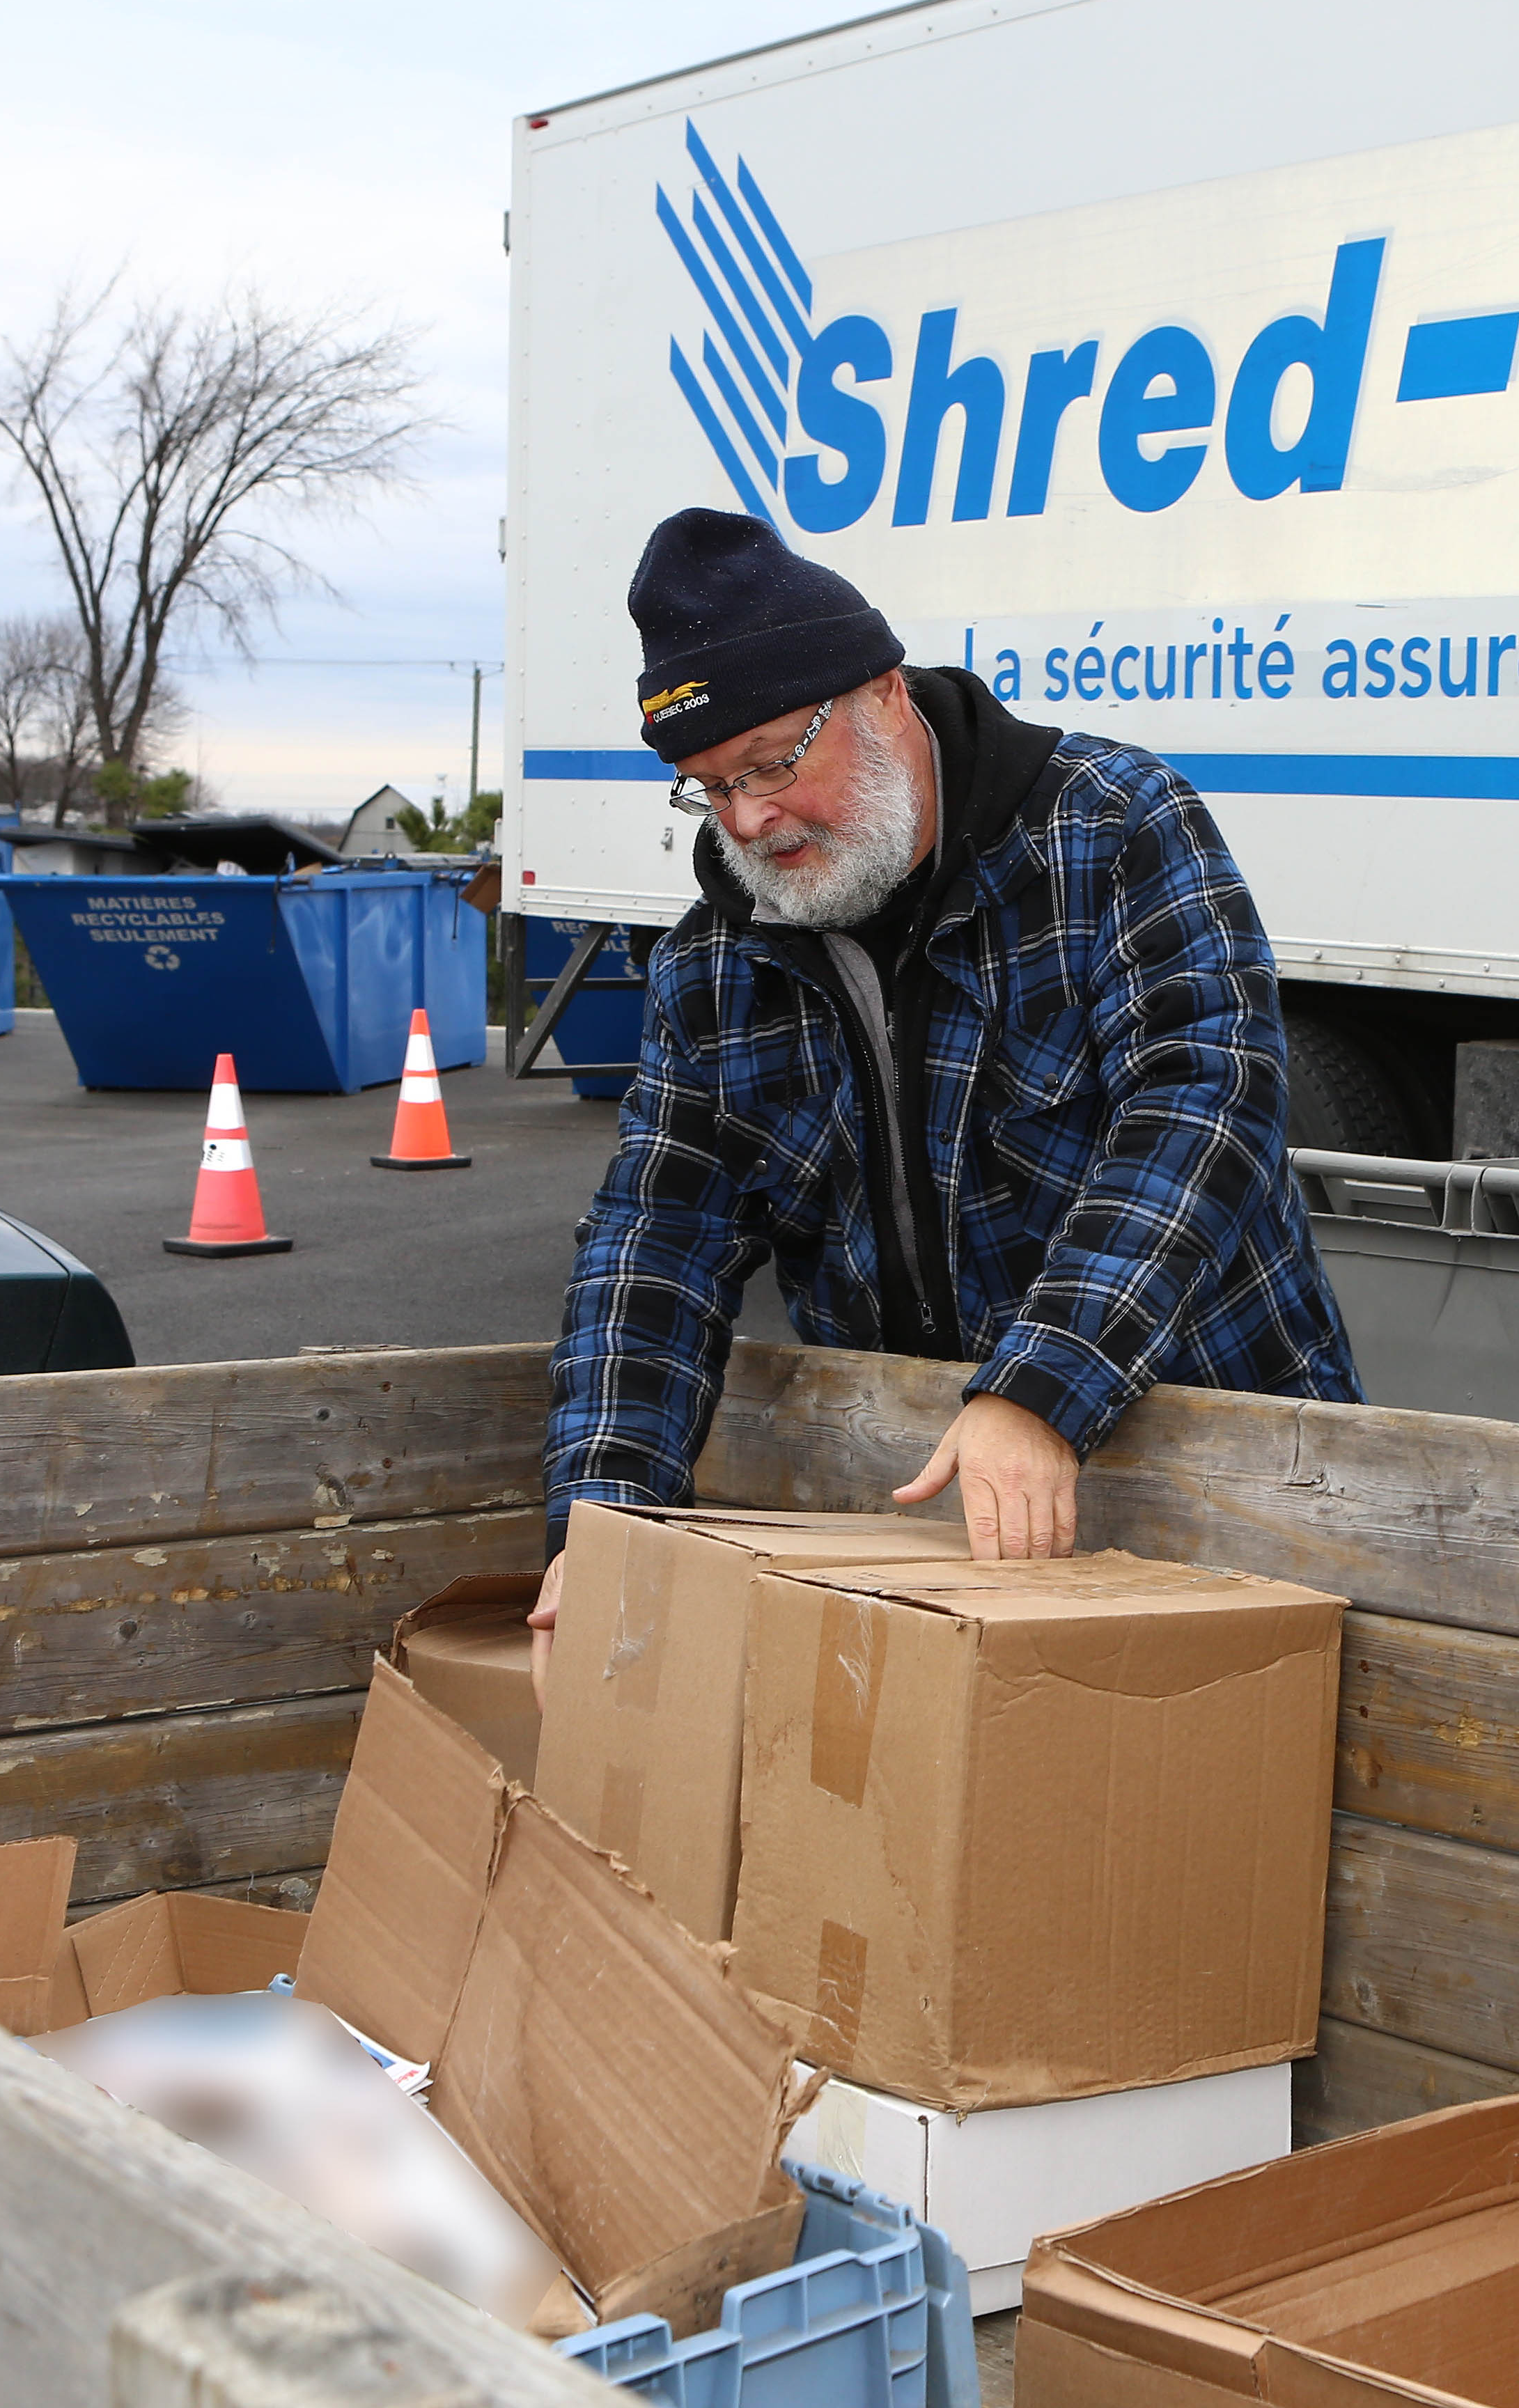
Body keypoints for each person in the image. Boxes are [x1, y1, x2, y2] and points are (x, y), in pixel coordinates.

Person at [537, 507, 1360, 1609]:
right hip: (929, 1506)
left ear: (884, 691)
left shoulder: (1113, 832)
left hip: (1224, 1472)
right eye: (709, 784)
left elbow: (1205, 1107)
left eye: (771, 760)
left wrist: (1040, 1388)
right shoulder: (714, 966)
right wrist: (603, 1525)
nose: (749, 817)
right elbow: (656, 1247)